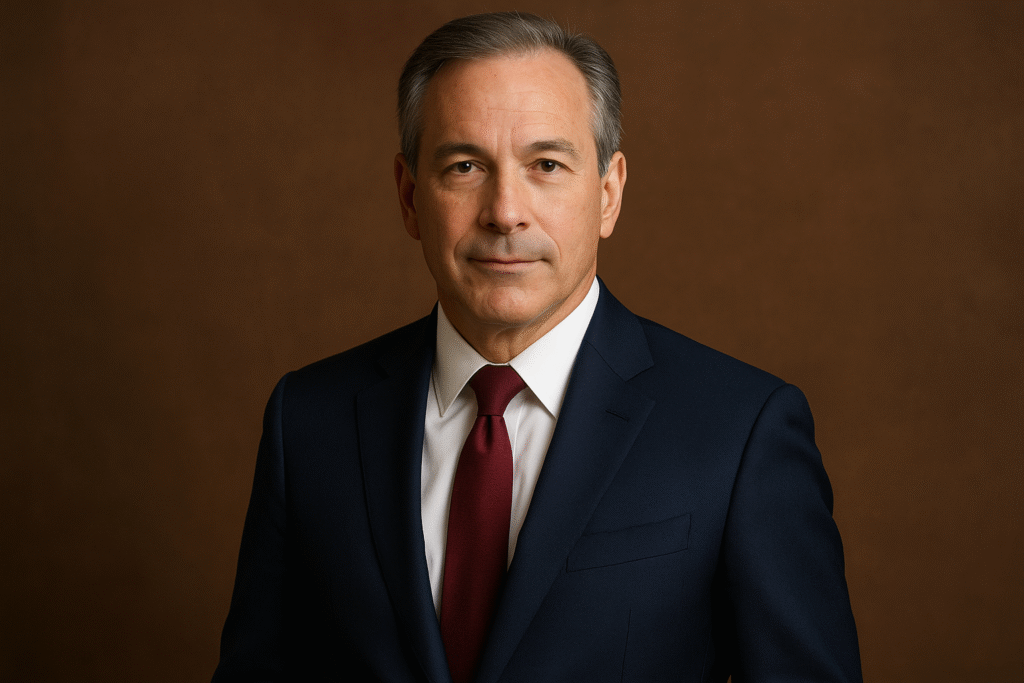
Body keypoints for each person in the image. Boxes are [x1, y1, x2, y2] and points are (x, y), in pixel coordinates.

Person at [212, 11, 861, 683]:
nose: (505, 210)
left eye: (546, 164)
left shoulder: (738, 431)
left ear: (607, 194)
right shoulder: (309, 419)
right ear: (409, 197)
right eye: (465, 166)